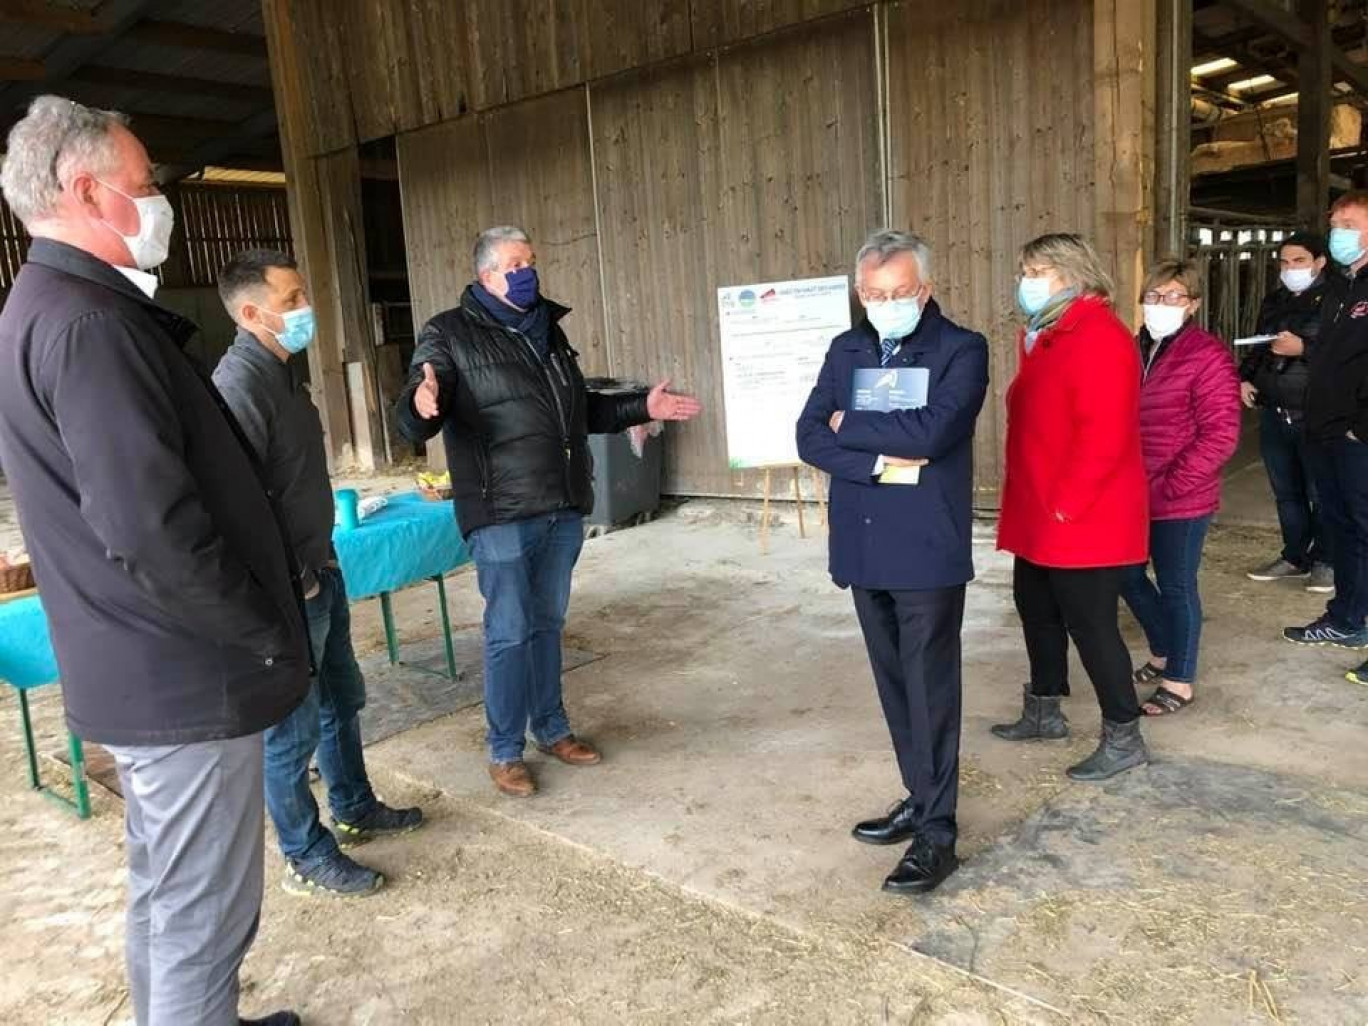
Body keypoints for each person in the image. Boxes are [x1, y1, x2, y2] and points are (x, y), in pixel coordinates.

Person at [0, 97, 304, 1026]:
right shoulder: (90, 327)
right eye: (146, 185)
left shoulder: (48, 307)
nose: (159, 200)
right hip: (186, 678)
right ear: (89, 192)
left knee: (167, 894)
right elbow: (151, 530)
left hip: (142, 669)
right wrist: (258, 633)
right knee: (200, 918)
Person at [395, 226, 702, 796]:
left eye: (531, 260)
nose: (527, 271)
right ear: (487, 274)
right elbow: (418, 409)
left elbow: (577, 409)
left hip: (561, 507)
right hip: (502, 513)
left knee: (546, 626)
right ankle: (505, 749)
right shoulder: (449, 333)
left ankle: (553, 729)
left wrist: (641, 405)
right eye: (516, 263)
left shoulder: (547, 333)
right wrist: (419, 405)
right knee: (509, 631)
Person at [214, 250, 425, 898]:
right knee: (291, 730)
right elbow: (233, 506)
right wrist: (287, 584)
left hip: (319, 567)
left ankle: (354, 805)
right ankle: (305, 853)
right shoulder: (239, 386)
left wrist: (317, 567)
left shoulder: (283, 375)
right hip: (287, 590)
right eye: (293, 297)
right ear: (252, 312)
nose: (306, 307)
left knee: (342, 699)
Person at [796, 229, 989, 895]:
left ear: (925, 289)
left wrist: (856, 424)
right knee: (893, 683)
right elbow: (810, 432)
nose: (888, 303)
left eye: (901, 292)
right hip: (863, 541)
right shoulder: (846, 347)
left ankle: (939, 832)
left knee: (930, 687)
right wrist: (880, 457)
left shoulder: (962, 349)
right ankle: (918, 793)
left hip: (925, 547)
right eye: (875, 294)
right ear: (860, 294)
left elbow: (937, 430)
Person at [993, 233, 1150, 780]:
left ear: (1070, 273)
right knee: (1034, 606)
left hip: (1080, 512)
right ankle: (1044, 708)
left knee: (1091, 623)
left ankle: (1124, 734)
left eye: (1036, 270)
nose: (1026, 281)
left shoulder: (1098, 335)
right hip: (1040, 505)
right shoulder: (1048, 334)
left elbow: (1105, 432)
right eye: (1024, 269)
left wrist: (1067, 503)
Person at [1121, 260, 1241, 715]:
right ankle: (1163, 648)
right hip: (1130, 491)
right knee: (1126, 576)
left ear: (1192, 304)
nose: (1161, 305)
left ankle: (1180, 677)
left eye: (1173, 297)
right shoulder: (1133, 349)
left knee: (1175, 585)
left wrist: (1173, 484)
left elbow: (1221, 434)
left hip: (1180, 497)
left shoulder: (1206, 356)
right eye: (1153, 296)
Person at [1285, 191, 1368, 686]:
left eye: (1350, 222)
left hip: (1357, 434)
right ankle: (1345, 617)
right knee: (1340, 528)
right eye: (1335, 221)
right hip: (1325, 428)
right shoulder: (1340, 287)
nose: (1338, 230)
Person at [1242, 234, 1333, 591]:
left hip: (1316, 409)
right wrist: (1244, 378)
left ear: (1320, 261)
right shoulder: (1275, 299)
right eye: (1284, 262)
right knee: (1286, 491)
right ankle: (1295, 555)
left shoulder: (1339, 299)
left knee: (1321, 491)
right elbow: (1260, 344)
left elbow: (1349, 353)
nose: (1290, 268)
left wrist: (1304, 347)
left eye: (1299, 261)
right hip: (1275, 408)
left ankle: (1327, 560)